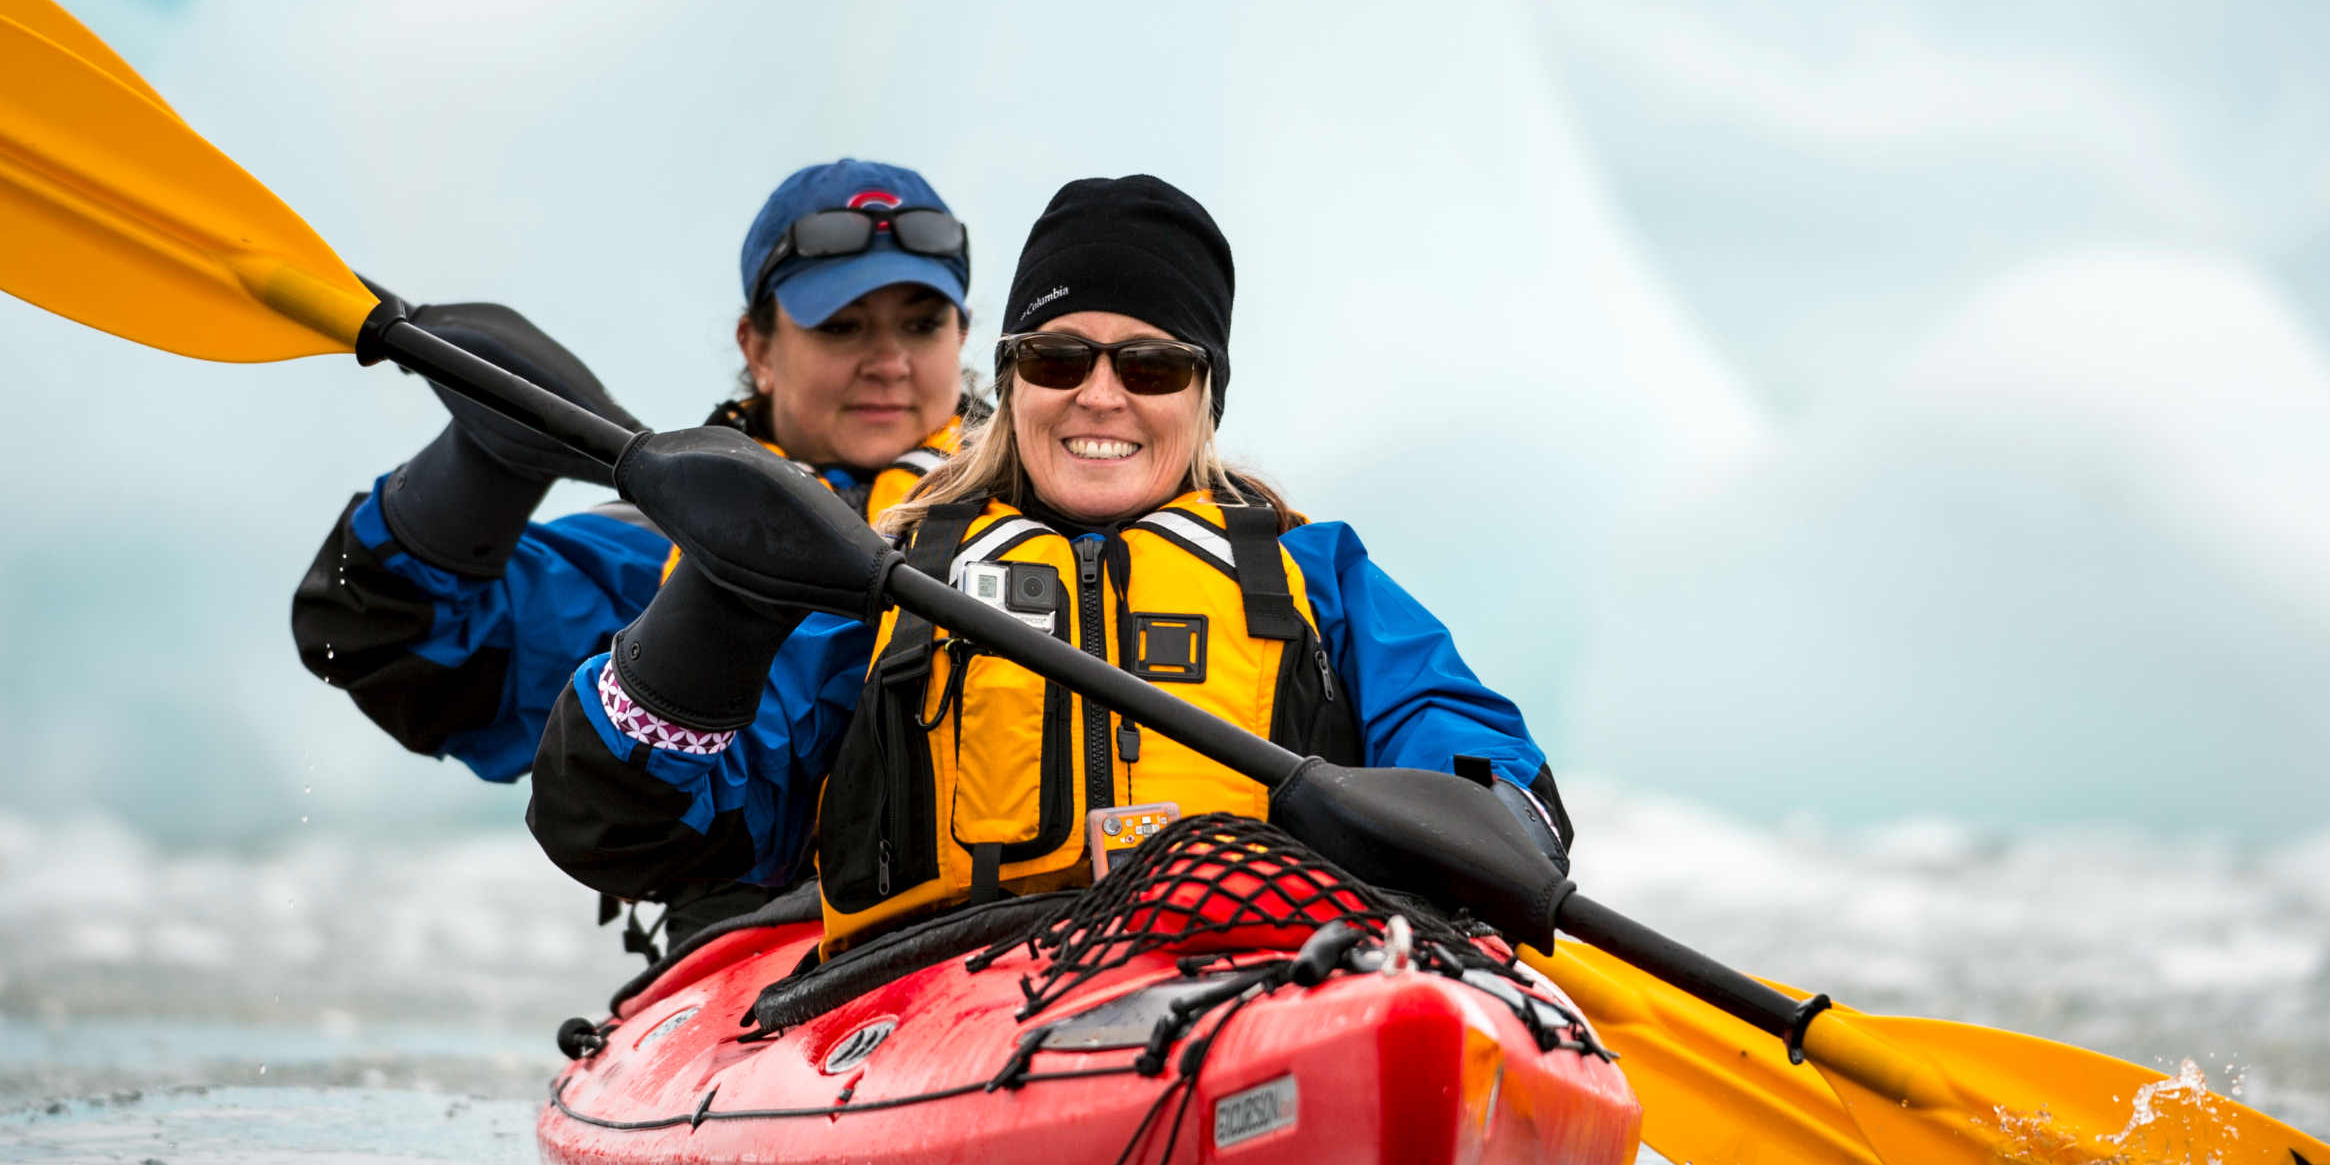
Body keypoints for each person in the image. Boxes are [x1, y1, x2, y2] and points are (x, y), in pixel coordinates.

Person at [532, 174, 1571, 957]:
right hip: (943, 990)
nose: (1101, 395)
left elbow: (1462, 732)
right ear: (1015, 377)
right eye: (1061, 358)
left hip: (1259, 967)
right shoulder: (893, 579)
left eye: (1154, 364)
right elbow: (649, 823)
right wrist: (716, 603)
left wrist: (1478, 809)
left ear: (1206, 395)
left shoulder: (1310, 571)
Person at [292, 159, 981, 941]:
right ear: (756, 346)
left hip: (1018, 946)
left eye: (921, 325)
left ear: (963, 336)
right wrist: (479, 470)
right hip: (760, 962)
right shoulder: (651, 555)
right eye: (841, 326)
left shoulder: (1051, 538)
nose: (887, 362)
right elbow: (375, 635)